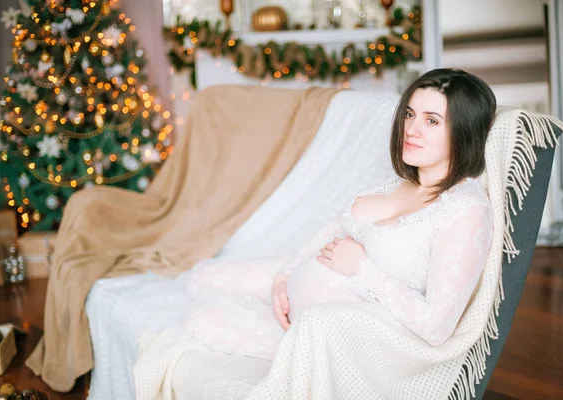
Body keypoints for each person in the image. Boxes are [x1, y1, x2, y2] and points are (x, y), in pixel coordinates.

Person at [184, 68, 497, 359]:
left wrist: (361, 267)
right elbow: (334, 230)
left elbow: (436, 327)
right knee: (203, 277)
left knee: (204, 321)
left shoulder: (466, 210)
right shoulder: (400, 183)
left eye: (431, 121)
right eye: (410, 114)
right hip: (304, 288)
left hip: (337, 336)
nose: (411, 130)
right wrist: (285, 278)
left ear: (463, 131)